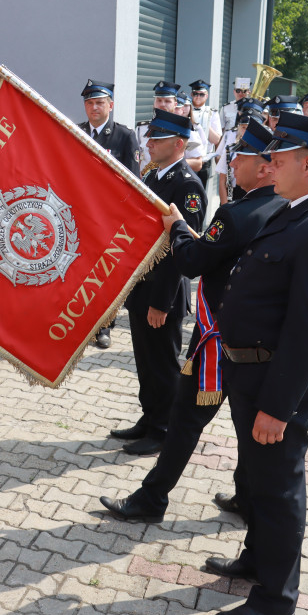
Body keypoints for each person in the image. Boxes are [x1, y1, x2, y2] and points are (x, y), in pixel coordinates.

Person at [205, 112, 308, 615]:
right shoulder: (296, 211)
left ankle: (275, 599)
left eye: (280, 159)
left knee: (278, 489)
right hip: (250, 372)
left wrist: (277, 407)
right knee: (259, 484)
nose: (270, 166)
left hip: (275, 384)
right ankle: (257, 560)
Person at [99, 120, 287, 522]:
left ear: (268, 167)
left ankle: (152, 499)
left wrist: (178, 228)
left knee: (185, 419)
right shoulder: (283, 208)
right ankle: (246, 495)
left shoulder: (237, 213)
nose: (232, 164)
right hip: (255, 340)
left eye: (243, 158)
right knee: (243, 425)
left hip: (220, 339)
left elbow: (191, 260)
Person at [112, 109, 206, 456]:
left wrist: (161, 301)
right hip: (142, 286)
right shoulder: (153, 176)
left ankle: (163, 428)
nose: (149, 143)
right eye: (150, 137)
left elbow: (179, 249)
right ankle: (149, 417)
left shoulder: (186, 185)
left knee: (163, 364)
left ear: (179, 144)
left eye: (159, 138)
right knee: (145, 361)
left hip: (162, 292)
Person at [78, 79, 141, 349]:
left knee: (104, 276)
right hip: (79, 216)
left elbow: (134, 182)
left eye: (100, 102)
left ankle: (104, 326)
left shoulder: (124, 137)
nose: (94, 107)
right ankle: (80, 323)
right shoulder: (76, 131)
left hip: (109, 219)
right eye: (90, 103)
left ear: (110, 106)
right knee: (79, 271)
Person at [136, 80, 182, 177]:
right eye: (159, 100)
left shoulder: (183, 129)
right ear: (154, 103)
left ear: (175, 104)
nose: (162, 104)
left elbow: (198, 163)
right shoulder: (142, 128)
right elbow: (137, 157)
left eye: (167, 101)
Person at [188, 79, 222, 188]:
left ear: (206, 96)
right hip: (187, 156)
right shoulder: (185, 109)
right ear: (191, 94)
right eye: (195, 94)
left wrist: (205, 125)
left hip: (203, 160)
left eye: (201, 94)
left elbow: (216, 140)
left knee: (200, 191)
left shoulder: (212, 113)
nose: (198, 97)